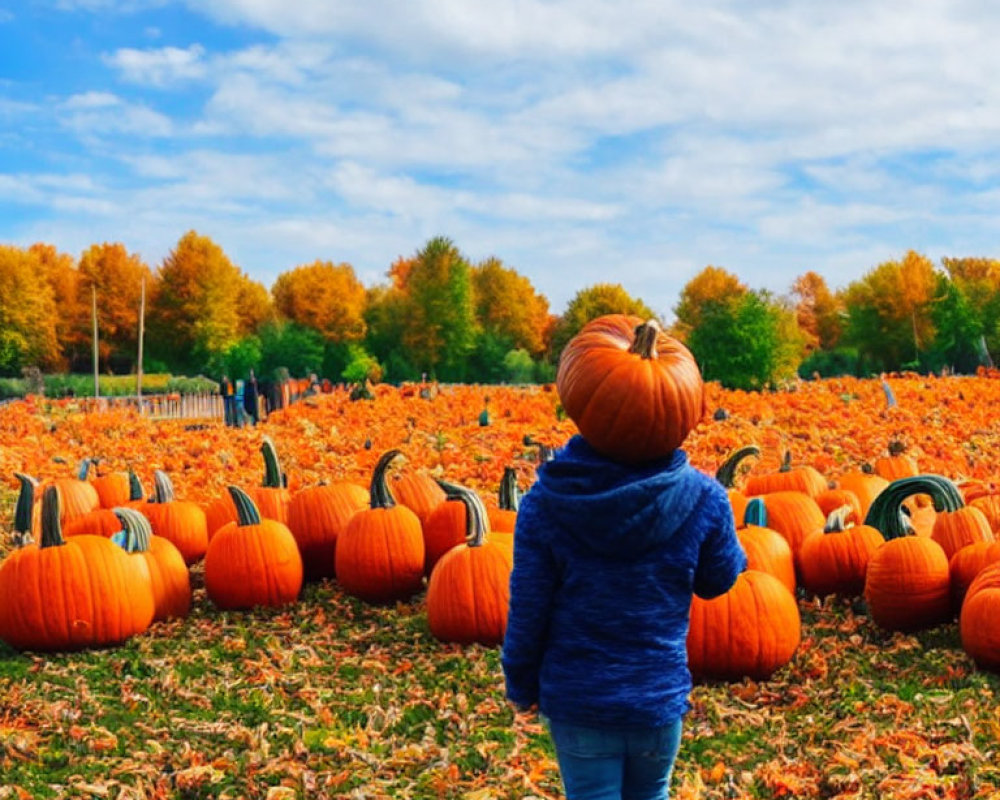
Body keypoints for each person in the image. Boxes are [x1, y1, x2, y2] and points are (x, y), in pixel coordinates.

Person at [502, 369, 746, 800]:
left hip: (580, 700)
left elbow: (529, 609)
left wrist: (521, 685)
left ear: (586, 407)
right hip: (657, 699)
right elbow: (718, 580)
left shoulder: (546, 504)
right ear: (676, 413)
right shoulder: (705, 498)